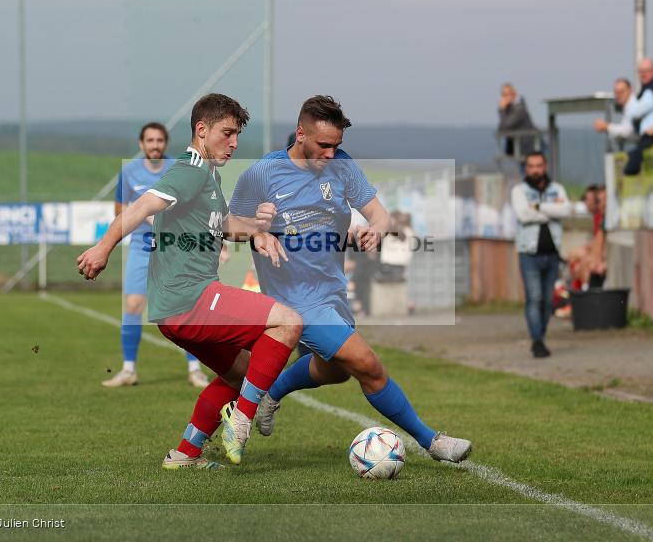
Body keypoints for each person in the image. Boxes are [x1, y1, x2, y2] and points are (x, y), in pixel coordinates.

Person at [229, 95, 472, 464]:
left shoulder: (342, 166)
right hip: (293, 300)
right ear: (300, 134)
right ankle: (433, 442)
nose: (330, 153)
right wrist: (257, 231)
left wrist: (374, 230)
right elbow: (230, 226)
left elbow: (381, 215)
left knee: (334, 371)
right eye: (324, 145)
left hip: (332, 293)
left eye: (336, 146)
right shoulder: (263, 173)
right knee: (368, 365)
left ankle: (271, 391)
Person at [77, 93, 303, 469]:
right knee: (289, 321)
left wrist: (257, 232)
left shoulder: (207, 175)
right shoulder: (190, 170)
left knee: (241, 372)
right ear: (202, 130)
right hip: (192, 299)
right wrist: (103, 247)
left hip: (175, 311)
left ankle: (186, 453)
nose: (233, 143)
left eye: (237, 135)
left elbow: (224, 224)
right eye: (226, 133)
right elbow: (141, 207)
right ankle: (241, 421)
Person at [102, 122, 210, 389]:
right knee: (133, 306)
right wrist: (142, 217)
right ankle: (129, 370)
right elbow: (121, 210)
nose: (155, 145)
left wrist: (164, 220)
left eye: (159, 140)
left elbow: (192, 207)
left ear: (166, 143)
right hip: (141, 248)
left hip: (174, 248)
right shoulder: (129, 172)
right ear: (142, 144)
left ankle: (195, 369)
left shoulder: (179, 169)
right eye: (149, 140)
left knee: (185, 308)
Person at [511, 152, 571, 358]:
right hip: (529, 253)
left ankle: (541, 336)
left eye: (539, 165)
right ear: (526, 168)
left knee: (547, 301)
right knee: (534, 297)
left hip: (552, 252)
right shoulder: (519, 191)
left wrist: (538, 207)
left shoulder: (557, 189)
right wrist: (551, 211)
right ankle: (537, 340)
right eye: (531, 166)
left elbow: (566, 211)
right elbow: (523, 215)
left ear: (545, 166)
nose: (535, 170)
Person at [593, 77, 653, 175]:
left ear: (630, 90)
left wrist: (606, 127)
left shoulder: (634, 106)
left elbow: (627, 131)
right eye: (616, 92)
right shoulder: (630, 106)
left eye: (621, 92)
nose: (618, 95)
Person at [497, 82, 539, 158]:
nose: (505, 98)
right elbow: (501, 129)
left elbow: (504, 128)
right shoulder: (510, 110)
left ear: (514, 94)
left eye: (508, 94)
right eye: (504, 95)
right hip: (522, 150)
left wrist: (501, 110)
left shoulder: (518, 109)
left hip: (528, 149)